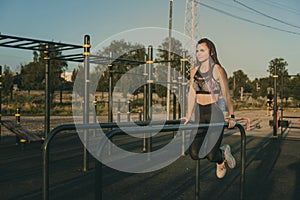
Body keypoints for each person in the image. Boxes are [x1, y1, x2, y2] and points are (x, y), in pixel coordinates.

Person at [181, 38, 236, 179]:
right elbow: (192, 93)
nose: (199, 53)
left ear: (210, 52)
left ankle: (221, 158)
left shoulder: (217, 70)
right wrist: (188, 115)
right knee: (194, 153)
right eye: (197, 51)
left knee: (212, 155)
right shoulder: (194, 71)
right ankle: (222, 151)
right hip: (200, 113)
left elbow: (226, 95)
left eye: (202, 50)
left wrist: (231, 116)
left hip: (214, 113)